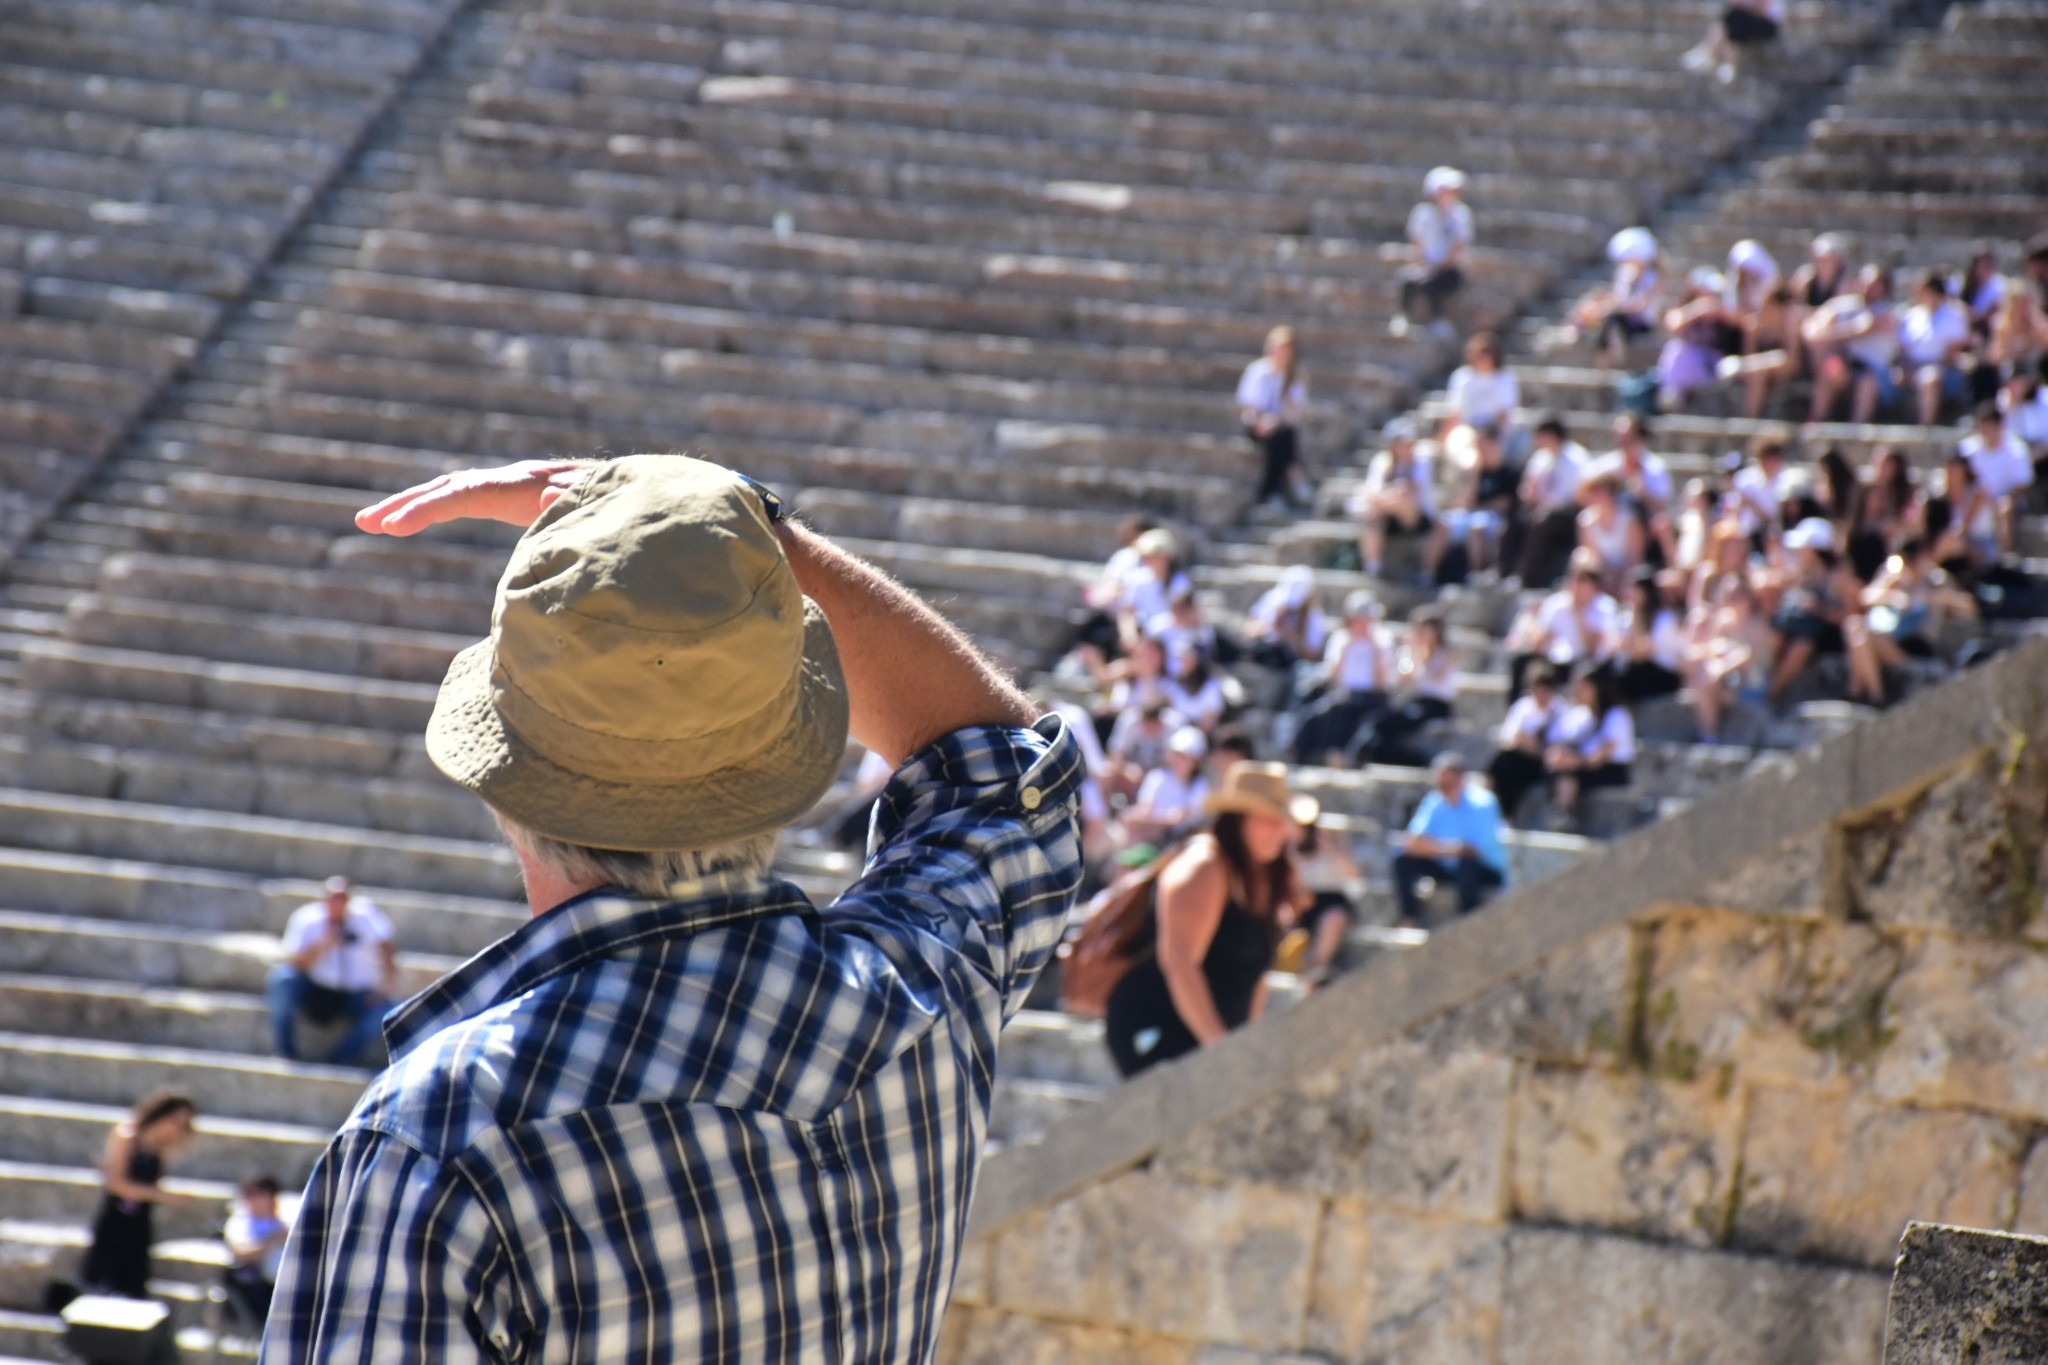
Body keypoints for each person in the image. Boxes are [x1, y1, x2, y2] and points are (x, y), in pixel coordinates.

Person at [269, 456, 1085, 1361]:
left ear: (506, 786)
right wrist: (732, 533)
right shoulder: (925, 994)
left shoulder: (442, 1145)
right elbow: (1005, 772)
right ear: (791, 752)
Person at [1103, 763, 1316, 1076]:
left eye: (1281, 820)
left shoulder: (1261, 875)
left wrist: (1241, 1045)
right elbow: (1179, 965)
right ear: (1238, 819)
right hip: (1161, 1032)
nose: (1281, 830)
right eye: (1268, 819)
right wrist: (1222, 1053)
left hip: (1211, 1040)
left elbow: (1256, 974)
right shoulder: (1203, 867)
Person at [266, 875, 396, 1068]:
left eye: (342, 898)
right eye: (333, 898)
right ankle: (286, 1051)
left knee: (386, 1011)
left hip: (354, 994)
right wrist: (323, 945)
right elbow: (294, 962)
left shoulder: (365, 916)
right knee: (282, 979)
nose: (337, 904)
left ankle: (340, 1059)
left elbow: (387, 949)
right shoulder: (307, 919)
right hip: (315, 990)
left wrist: (385, 988)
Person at [81, 1091, 196, 1299]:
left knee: (133, 1288)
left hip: (140, 1224)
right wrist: (164, 1196)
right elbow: (116, 1183)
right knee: (102, 1286)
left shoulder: (159, 1148)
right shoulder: (127, 1135)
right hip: (115, 1222)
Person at [1391, 754, 1509, 928]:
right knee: (1402, 861)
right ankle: (1410, 916)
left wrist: (1433, 847)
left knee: (1466, 865)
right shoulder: (1434, 802)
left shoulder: (1483, 803)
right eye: (1441, 785)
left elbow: (1473, 851)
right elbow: (1411, 843)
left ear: (1462, 780)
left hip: (1484, 870)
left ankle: (1468, 920)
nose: (1444, 790)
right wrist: (1450, 849)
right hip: (1449, 865)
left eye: (1448, 784)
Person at [1290, 590, 1392, 765]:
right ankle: (1302, 753)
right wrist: (1347, 647)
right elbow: (1332, 676)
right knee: (1319, 712)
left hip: (1373, 697)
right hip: (1345, 693)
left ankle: (1340, 757)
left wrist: (1374, 649)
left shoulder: (1383, 640)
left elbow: (1382, 683)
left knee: (1342, 710)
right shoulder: (1341, 638)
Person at [1351, 609, 1457, 767]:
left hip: (1436, 705)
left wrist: (1422, 654)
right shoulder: (1413, 652)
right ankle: (1359, 754)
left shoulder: (1448, 654)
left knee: (1386, 725)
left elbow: (1436, 679)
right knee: (1377, 724)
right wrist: (1411, 653)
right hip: (1418, 702)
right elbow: (1404, 680)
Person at [1351, 418, 1443, 581]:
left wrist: (1387, 497)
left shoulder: (1422, 459)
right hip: (1388, 517)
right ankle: (1373, 567)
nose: (1404, 447)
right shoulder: (1382, 461)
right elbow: (1373, 492)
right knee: (1373, 515)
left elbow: (1411, 490)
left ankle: (1425, 574)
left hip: (1418, 517)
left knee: (1399, 499)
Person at [1805, 265, 1899, 424]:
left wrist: (1829, 335)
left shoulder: (1886, 312)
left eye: (1875, 284)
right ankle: (1816, 420)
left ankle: (1857, 427)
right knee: (1830, 369)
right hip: (1849, 366)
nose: (1869, 288)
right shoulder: (1846, 305)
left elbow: (1862, 330)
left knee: (1867, 383)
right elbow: (1813, 327)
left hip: (1876, 371)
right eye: (1865, 282)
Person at [1544, 666, 1635, 825]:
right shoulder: (1582, 715)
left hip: (1612, 770)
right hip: (1587, 765)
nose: (1576, 692)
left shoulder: (1616, 716)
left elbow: (1603, 755)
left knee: (1570, 773)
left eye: (1581, 687)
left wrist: (1574, 762)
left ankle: (1564, 814)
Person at [1392, 166, 1471, 340]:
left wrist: (1438, 267)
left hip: (1449, 270)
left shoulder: (1460, 214)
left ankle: (1439, 321)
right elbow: (1417, 243)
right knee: (1407, 279)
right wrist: (1422, 264)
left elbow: (1458, 246)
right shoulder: (1422, 213)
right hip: (1426, 266)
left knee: (1431, 281)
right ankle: (1403, 317)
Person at [1238, 325, 1310, 507]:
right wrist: (1260, 422)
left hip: (1279, 425)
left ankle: (1271, 491)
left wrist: (1275, 421)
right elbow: (1249, 405)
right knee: (1283, 438)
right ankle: (1293, 475)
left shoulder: (1293, 377)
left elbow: (1293, 410)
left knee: (1282, 435)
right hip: (1255, 424)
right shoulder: (1257, 371)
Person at [1574, 226, 1663, 368]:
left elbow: (1639, 305)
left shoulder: (1653, 278)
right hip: (1622, 318)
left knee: (1611, 319)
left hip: (1641, 323)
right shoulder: (1625, 274)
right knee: (1598, 309)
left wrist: (1610, 307)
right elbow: (1619, 297)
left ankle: (1606, 362)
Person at [1488, 662, 1563, 823]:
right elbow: (1509, 738)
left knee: (1510, 767)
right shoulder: (1523, 707)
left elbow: (1559, 745)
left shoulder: (1561, 711)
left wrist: (1535, 746)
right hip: (1522, 759)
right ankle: (1502, 813)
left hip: (1547, 764)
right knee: (1506, 763)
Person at [1897, 271, 1974, 426]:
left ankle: (1925, 426)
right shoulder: (1911, 315)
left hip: (1944, 369)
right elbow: (1903, 349)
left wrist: (1924, 368)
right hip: (1912, 367)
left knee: (1929, 378)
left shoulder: (1953, 316)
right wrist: (1907, 368)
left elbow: (1952, 354)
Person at [1121, 725, 1213, 853]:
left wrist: (1149, 820)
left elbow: (1178, 819)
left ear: (1196, 760)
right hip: (1154, 838)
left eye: (1184, 756)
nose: (1179, 760)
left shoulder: (1200, 786)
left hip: (1182, 843)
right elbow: (1145, 808)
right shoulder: (1156, 777)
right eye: (1176, 755)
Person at [1960, 400, 2035, 554]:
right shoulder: (1967, 449)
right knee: (1975, 498)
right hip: (1975, 500)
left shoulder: (2016, 449)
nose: (1985, 431)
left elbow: (2022, 484)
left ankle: (2005, 556)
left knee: (2003, 506)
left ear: (1999, 426)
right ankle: (1961, 543)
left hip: (2007, 500)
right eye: (1982, 426)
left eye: (1989, 426)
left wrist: (2002, 498)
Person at [222, 1175, 290, 1330]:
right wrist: (271, 1241)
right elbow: (241, 1253)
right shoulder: (240, 1222)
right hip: (258, 1276)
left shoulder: (282, 1221)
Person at [1684, 0, 1784, 82]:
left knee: (1732, 21)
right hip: (1744, 23)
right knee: (1731, 22)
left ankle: (1711, 53)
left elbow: (1760, 10)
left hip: (1765, 25)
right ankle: (1725, 62)